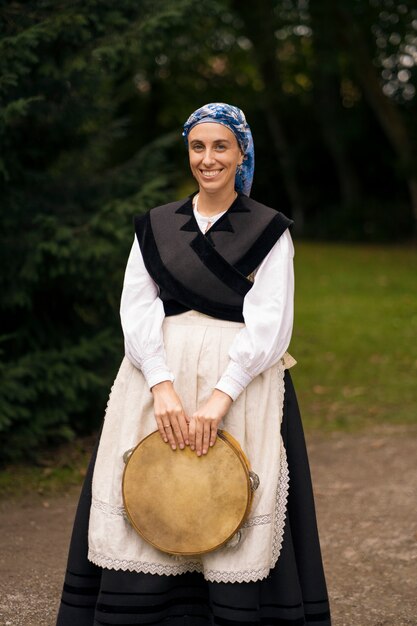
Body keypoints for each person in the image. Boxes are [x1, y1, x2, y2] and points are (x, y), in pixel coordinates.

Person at [56, 102, 331, 626]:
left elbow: (271, 326)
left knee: (235, 502)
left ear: (241, 153)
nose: (208, 159)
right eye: (198, 147)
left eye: (221, 146)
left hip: (242, 382)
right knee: (149, 494)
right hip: (157, 378)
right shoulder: (156, 225)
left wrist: (220, 397)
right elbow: (136, 309)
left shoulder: (270, 230)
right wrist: (161, 386)